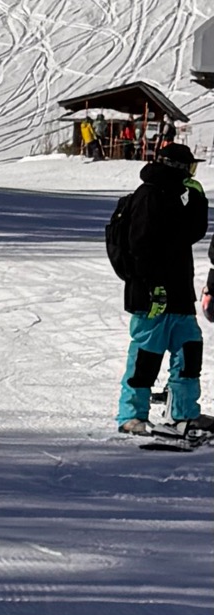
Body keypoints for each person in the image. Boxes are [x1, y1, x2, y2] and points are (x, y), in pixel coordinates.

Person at [107, 142, 208, 433]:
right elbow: (139, 247)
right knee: (146, 355)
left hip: (178, 293)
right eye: (189, 168)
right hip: (151, 295)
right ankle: (130, 417)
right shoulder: (149, 196)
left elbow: (191, 233)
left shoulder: (173, 197)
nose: (192, 173)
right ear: (176, 169)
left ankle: (184, 413)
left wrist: (198, 199)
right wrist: (154, 287)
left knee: (189, 352)